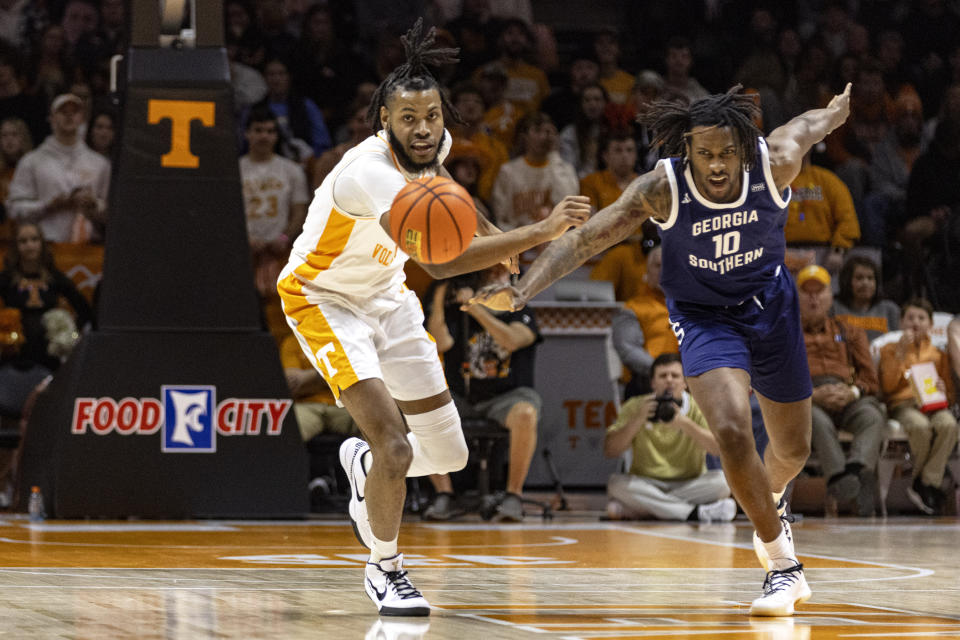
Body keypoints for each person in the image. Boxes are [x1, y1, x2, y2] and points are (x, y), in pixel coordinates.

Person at [472, 84, 855, 616]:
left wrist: (835, 111)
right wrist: (522, 290)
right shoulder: (662, 189)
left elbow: (809, 125)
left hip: (772, 308)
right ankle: (782, 564)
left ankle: (768, 502)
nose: (717, 166)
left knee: (792, 451)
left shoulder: (777, 164)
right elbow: (586, 240)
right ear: (686, 152)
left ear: (744, 149)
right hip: (704, 317)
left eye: (726, 154)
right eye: (705, 155)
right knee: (729, 427)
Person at [276, 21, 590, 617]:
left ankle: (367, 468)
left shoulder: (434, 150)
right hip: (325, 301)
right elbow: (442, 263)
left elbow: (446, 193)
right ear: (383, 122)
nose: (423, 130)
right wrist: (540, 230)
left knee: (448, 455)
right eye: (408, 120)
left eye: (432, 117)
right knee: (396, 443)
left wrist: (497, 235)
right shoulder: (368, 174)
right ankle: (385, 567)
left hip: (389, 298)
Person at [421, 265, 542, 522]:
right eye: (491, 272)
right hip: (463, 396)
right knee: (419, 407)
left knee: (526, 413)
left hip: (506, 396)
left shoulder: (518, 309)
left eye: (502, 272)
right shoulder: (456, 310)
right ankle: (445, 494)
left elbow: (511, 340)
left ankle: (513, 496)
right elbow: (441, 343)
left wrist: (475, 308)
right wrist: (441, 294)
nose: (499, 276)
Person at [604, 353, 735, 522]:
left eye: (675, 375)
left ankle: (647, 509)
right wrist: (637, 419)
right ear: (652, 383)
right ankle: (694, 513)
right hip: (647, 483)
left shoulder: (699, 406)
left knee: (722, 482)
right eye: (663, 376)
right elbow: (610, 450)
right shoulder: (636, 406)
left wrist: (685, 423)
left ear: (685, 382)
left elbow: (718, 450)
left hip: (690, 483)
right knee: (616, 484)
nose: (669, 380)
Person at [797, 264, 885, 517]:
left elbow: (870, 378)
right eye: (807, 292)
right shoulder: (787, 333)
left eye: (819, 291)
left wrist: (852, 393)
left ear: (830, 297)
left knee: (873, 414)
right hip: (809, 398)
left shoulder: (850, 331)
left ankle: (854, 470)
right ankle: (838, 476)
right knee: (814, 418)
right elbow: (778, 378)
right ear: (798, 298)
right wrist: (812, 395)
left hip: (848, 396)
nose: (813, 297)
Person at [877, 298, 958, 515]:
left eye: (921, 318)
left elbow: (950, 394)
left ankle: (923, 482)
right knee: (920, 427)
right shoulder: (888, 349)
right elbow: (887, 387)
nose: (915, 322)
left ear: (931, 325)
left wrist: (943, 388)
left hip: (934, 405)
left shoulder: (939, 355)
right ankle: (927, 485)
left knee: (949, 425)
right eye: (910, 317)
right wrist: (900, 354)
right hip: (904, 404)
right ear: (901, 322)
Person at [5, 93, 109, 244]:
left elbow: (115, 212)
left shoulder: (100, 164)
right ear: (52, 118)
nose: (69, 116)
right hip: (46, 246)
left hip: (89, 249)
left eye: (74, 112)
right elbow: (14, 209)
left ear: (82, 118)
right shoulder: (32, 161)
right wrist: (48, 205)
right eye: (63, 112)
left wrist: (94, 205)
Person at [491, 111, 578, 232]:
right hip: (520, 242)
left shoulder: (564, 169)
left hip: (554, 239)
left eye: (548, 132)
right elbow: (502, 218)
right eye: (537, 131)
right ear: (524, 136)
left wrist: (554, 154)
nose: (543, 137)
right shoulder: (508, 171)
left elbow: (569, 206)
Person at [612, 243, 678, 399]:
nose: (664, 271)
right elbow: (628, 350)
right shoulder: (633, 308)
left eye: (669, 265)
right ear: (647, 272)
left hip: (687, 380)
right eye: (658, 266)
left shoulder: (689, 308)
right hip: (647, 382)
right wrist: (662, 372)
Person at [784, 151, 860, 275]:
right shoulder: (774, 181)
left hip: (824, 254)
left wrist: (838, 250)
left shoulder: (828, 180)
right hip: (783, 253)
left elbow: (848, 219)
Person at [832, 255, 900, 341]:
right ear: (847, 281)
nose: (865, 283)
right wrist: (845, 339)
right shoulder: (834, 308)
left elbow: (898, 340)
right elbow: (832, 339)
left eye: (870, 278)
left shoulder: (890, 309)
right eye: (859, 278)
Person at [579, 130, 638, 212]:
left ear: (636, 155)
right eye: (618, 150)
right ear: (605, 156)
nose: (625, 156)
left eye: (629, 150)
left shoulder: (643, 183)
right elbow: (589, 220)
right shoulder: (590, 182)